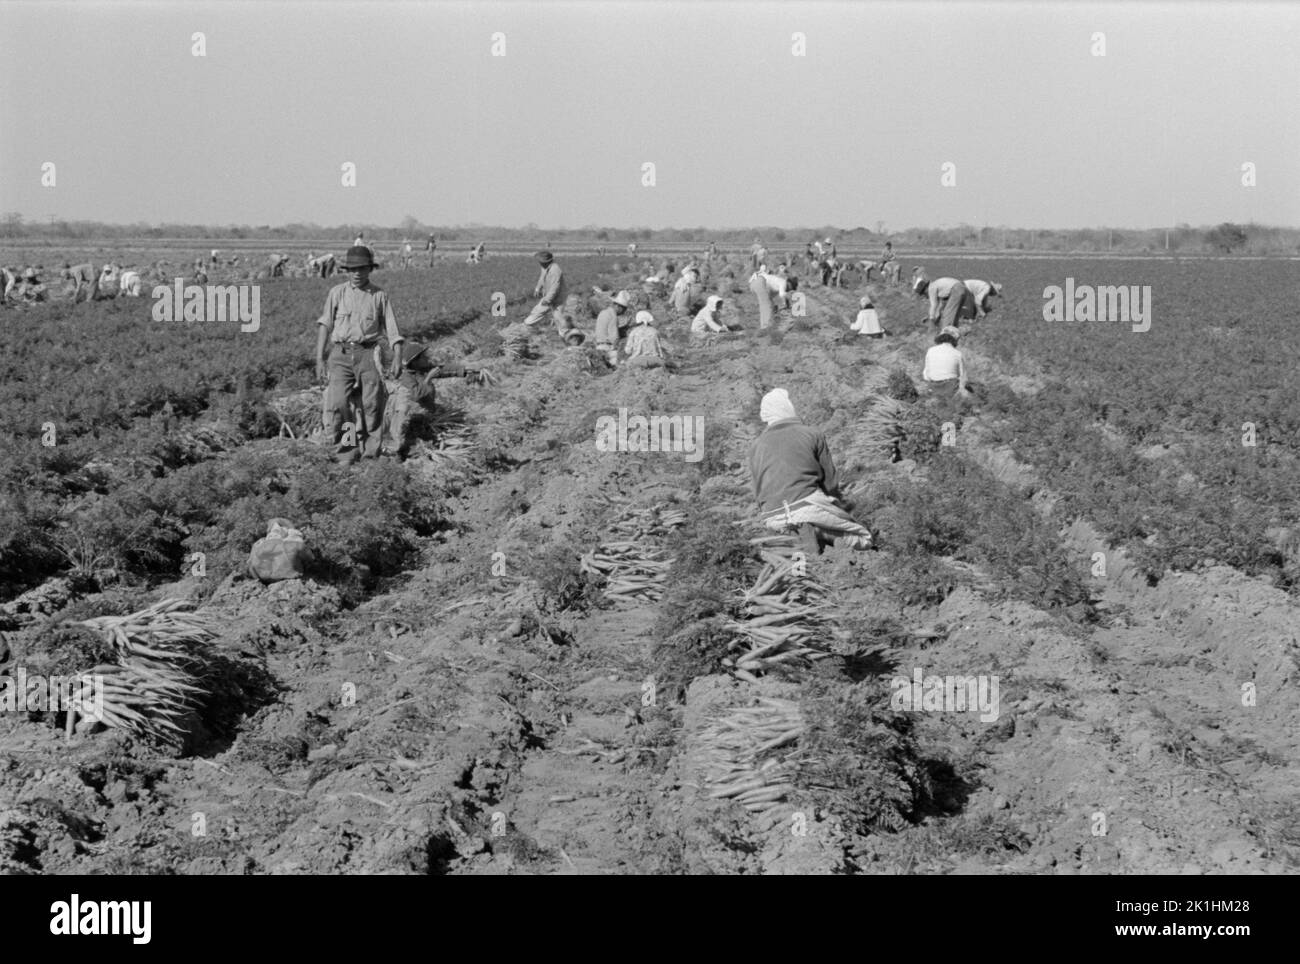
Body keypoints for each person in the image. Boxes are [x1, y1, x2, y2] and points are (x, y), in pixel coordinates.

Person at [749, 388, 873, 556]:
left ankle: (805, 538)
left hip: (772, 516)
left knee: (803, 527)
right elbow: (830, 484)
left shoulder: (756, 446)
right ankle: (822, 534)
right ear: (789, 408)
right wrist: (844, 510)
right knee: (863, 537)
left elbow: (757, 491)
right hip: (805, 507)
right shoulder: (811, 434)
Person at [315, 245, 405, 462]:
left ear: (369, 269)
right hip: (340, 355)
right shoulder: (337, 293)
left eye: (361, 269)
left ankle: (370, 452)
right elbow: (325, 325)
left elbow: (392, 329)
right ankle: (347, 451)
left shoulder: (379, 296)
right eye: (352, 269)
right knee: (338, 404)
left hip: (368, 355)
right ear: (347, 271)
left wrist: (398, 356)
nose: (356, 273)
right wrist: (319, 358)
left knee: (372, 405)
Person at [381, 342, 485, 457]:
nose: (427, 357)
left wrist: (465, 370)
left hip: (428, 411)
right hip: (414, 417)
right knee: (410, 440)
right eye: (423, 356)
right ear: (415, 361)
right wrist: (428, 379)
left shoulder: (423, 369)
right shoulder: (406, 377)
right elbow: (417, 394)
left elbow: (444, 369)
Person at [523, 250, 572, 337]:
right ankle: (526, 325)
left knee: (558, 316)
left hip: (558, 298)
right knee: (538, 310)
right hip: (549, 295)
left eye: (540, 261)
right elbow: (542, 277)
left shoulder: (555, 270)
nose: (539, 263)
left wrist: (547, 300)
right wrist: (538, 288)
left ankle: (566, 335)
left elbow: (555, 288)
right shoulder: (545, 267)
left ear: (545, 262)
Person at [922, 327, 968, 397]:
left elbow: (926, 375)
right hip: (950, 387)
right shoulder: (958, 354)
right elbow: (963, 377)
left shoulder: (930, 350)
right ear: (955, 339)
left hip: (933, 388)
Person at [594, 290, 633, 366]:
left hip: (599, 346)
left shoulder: (603, 312)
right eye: (624, 309)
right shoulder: (613, 316)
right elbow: (614, 338)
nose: (624, 312)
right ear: (618, 307)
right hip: (607, 348)